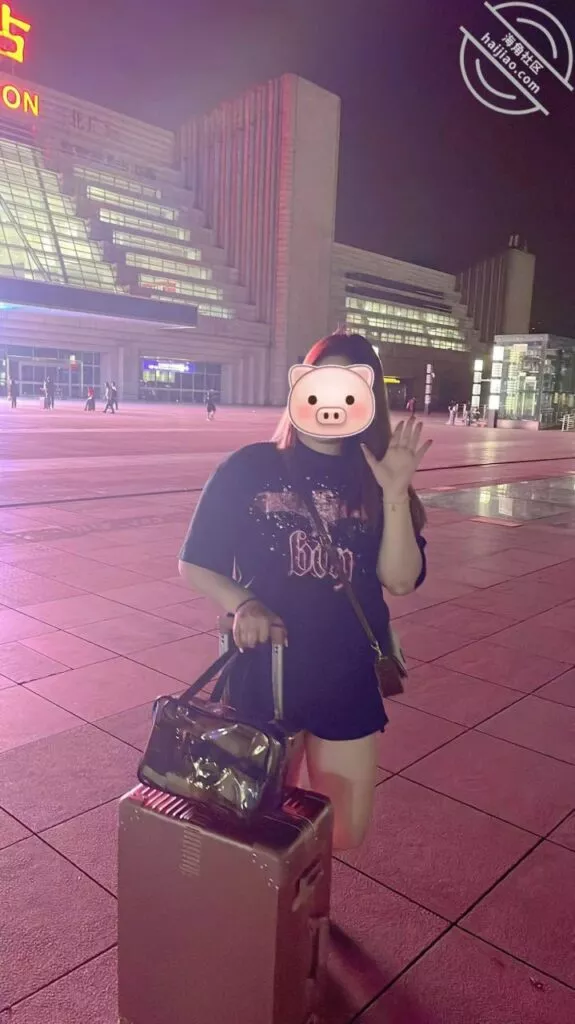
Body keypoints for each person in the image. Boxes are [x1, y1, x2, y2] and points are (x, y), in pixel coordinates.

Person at [179, 332, 430, 852]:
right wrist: (244, 603)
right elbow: (196, 562)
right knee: (251, 823)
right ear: (302, 387)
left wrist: (395, 492)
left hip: (346, 674)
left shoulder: (379, 475)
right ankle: (269, 903)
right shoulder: (249, 467)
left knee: (343, 831)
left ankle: (305, 898)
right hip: (264, 673)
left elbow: (401, 580)